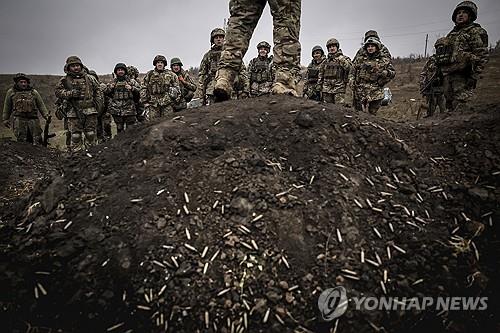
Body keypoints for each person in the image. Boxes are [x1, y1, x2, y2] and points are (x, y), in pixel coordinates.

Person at [213, 0, 302, 101]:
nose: (263, 51)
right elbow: (248, 75)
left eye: (265, 49)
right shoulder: (253, 62)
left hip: (265, 89)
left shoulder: (270, 62)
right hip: (255, 90)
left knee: (240, 20)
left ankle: (225, 77)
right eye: (261, 49)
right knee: (286, 19)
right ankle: (285, 83)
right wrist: (246, 91)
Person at [442, 1, 489, 112]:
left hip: (464, 75)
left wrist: (474, 76)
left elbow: (482, 55)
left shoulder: (475, 31)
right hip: (448, 75)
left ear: (471, 16)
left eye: (464, 12)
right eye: (458, 13)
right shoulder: (451, 34)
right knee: (448, 106)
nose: (460, 15)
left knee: (462, 105)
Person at [55, 56, 102, 151]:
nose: (76, 68)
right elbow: (58, 92)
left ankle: (91, 153)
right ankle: (77, 155)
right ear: (68, 67)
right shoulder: (64, 80)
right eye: (73, 66)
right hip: (73, 112)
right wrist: (70, 93)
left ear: (81, 66)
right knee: (75, 135)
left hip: (90, 110)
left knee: (91, 134)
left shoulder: (90, 78)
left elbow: (98, 91)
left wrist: (98, 106)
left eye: (77, 65)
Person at [350, 38, 396, 115]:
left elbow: (393, 73)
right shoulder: (360, 59)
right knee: (359, 114)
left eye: (372, 46)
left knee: (372, 114)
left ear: (376, 47)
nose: (370, 48)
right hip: (360, 91)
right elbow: (352, 71)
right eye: (368, 46)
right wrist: (351, 81)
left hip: (376, 91)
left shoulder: (383, 60)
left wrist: (386, 73)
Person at [2, 73, 49, 144]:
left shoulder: (33, 92)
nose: (23, 84)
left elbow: (41, 105)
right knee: (21, 141)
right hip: (19, 121)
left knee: (37, 139)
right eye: (21, 82)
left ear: (27, 83)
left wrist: (46, 116)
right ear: (17, 83)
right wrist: (5, 119)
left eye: (25, 82)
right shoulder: (11, 92)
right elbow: (7, 106)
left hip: (33, 121)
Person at [140, 55, 181, 120]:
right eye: (158, 62)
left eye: (162, 63)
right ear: (155, 64)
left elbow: (177, 89)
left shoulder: (171, 75)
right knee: (153, 125)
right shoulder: (149, 74)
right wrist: (145, 102)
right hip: (153, 105)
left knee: (168, 124)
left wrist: (175, 101)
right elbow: (143, 88)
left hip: (167, 105)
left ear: (164, 64)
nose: (160, 64)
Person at [104, 63, 141, 132]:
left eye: (122, 70)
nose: (120, 71)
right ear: (116, 72)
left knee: (130, 130)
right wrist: (110, 88)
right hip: (116, 110)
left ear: (125, 71)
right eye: (119, 70)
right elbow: (106, 93)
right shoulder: (113, 82)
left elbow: (140, 91)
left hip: (129, 110)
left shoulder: (131, 81)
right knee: (119, 129)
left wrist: (132, 88)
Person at [317, 38, 352, 105]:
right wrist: (319, 86)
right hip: (326, 89)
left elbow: (349, 69)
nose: (332, 48)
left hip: (339, 88)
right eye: (330, 47)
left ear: (337, 47)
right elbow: (321, 74)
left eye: (333, 46)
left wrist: (341, 59)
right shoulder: (325, 62)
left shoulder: (344, 59)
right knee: (327, 108)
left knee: (339, 109)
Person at [196, 28, 226, 105]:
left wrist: (244, 90)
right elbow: (202, 75)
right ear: (213, 40)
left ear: (224, 39)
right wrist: (201, 94)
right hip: (212, 87)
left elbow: (241, 71)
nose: (219, 39)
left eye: (221, 37)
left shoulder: (230, 53)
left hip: (227, 85)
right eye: (216, 38)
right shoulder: (208, 56)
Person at [419, 38, 447, 117]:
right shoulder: (432, 60)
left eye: (442, 47)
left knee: (444, 112)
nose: (440, 49)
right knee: (430, 112)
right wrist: (423, 85)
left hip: (444, 90)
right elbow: (423, 73)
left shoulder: (449, 60)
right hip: (431, 90)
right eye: (438, 47)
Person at [88, 70, 112, 142]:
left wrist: (108, 111)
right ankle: (100, 142)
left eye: (94, 77)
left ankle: (108, 140)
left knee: (106, 125)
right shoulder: (87, 89)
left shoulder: (102, 87)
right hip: (94, 112)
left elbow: (108, 99)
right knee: (97, 129)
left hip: (104, 111)